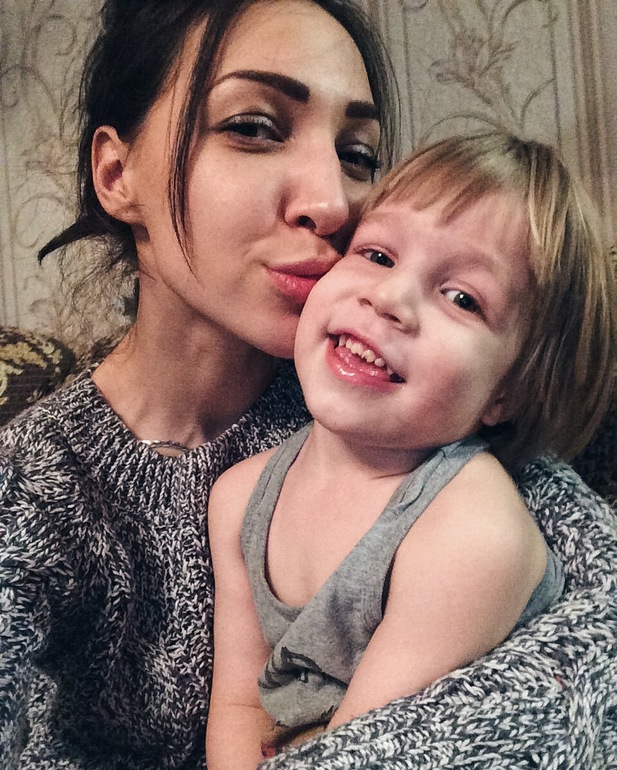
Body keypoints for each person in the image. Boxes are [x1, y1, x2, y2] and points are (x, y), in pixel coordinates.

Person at [0, 1, 398, 769]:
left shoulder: (394, 409)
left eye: (356, 154)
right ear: (118, 175)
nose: (332, 202)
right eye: (253, 127)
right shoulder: (30, 485)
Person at [205, 132, 617, 769]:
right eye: (376, 254)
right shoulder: (238, 499)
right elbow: (238, 705)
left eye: (462, 298)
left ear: (507, 392)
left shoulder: (472, 532)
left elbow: (369, 753)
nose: (390, 299)